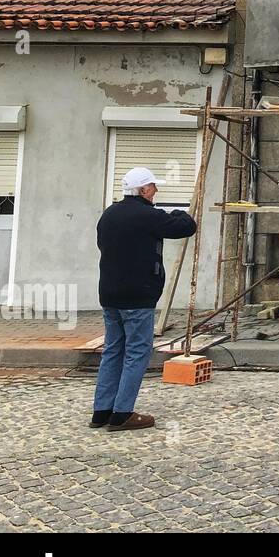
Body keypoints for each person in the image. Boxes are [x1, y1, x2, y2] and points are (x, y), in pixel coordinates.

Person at [92, 166, 197, 431]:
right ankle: (123, 413)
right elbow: (187, 226)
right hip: (138, 297)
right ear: (143, 190)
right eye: (153, 187)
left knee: (113, 351)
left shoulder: (109, 214)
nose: (156, 191)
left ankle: (101, 411)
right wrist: (174, 212)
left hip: (109, 295)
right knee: (137, 353)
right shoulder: (148, 215)